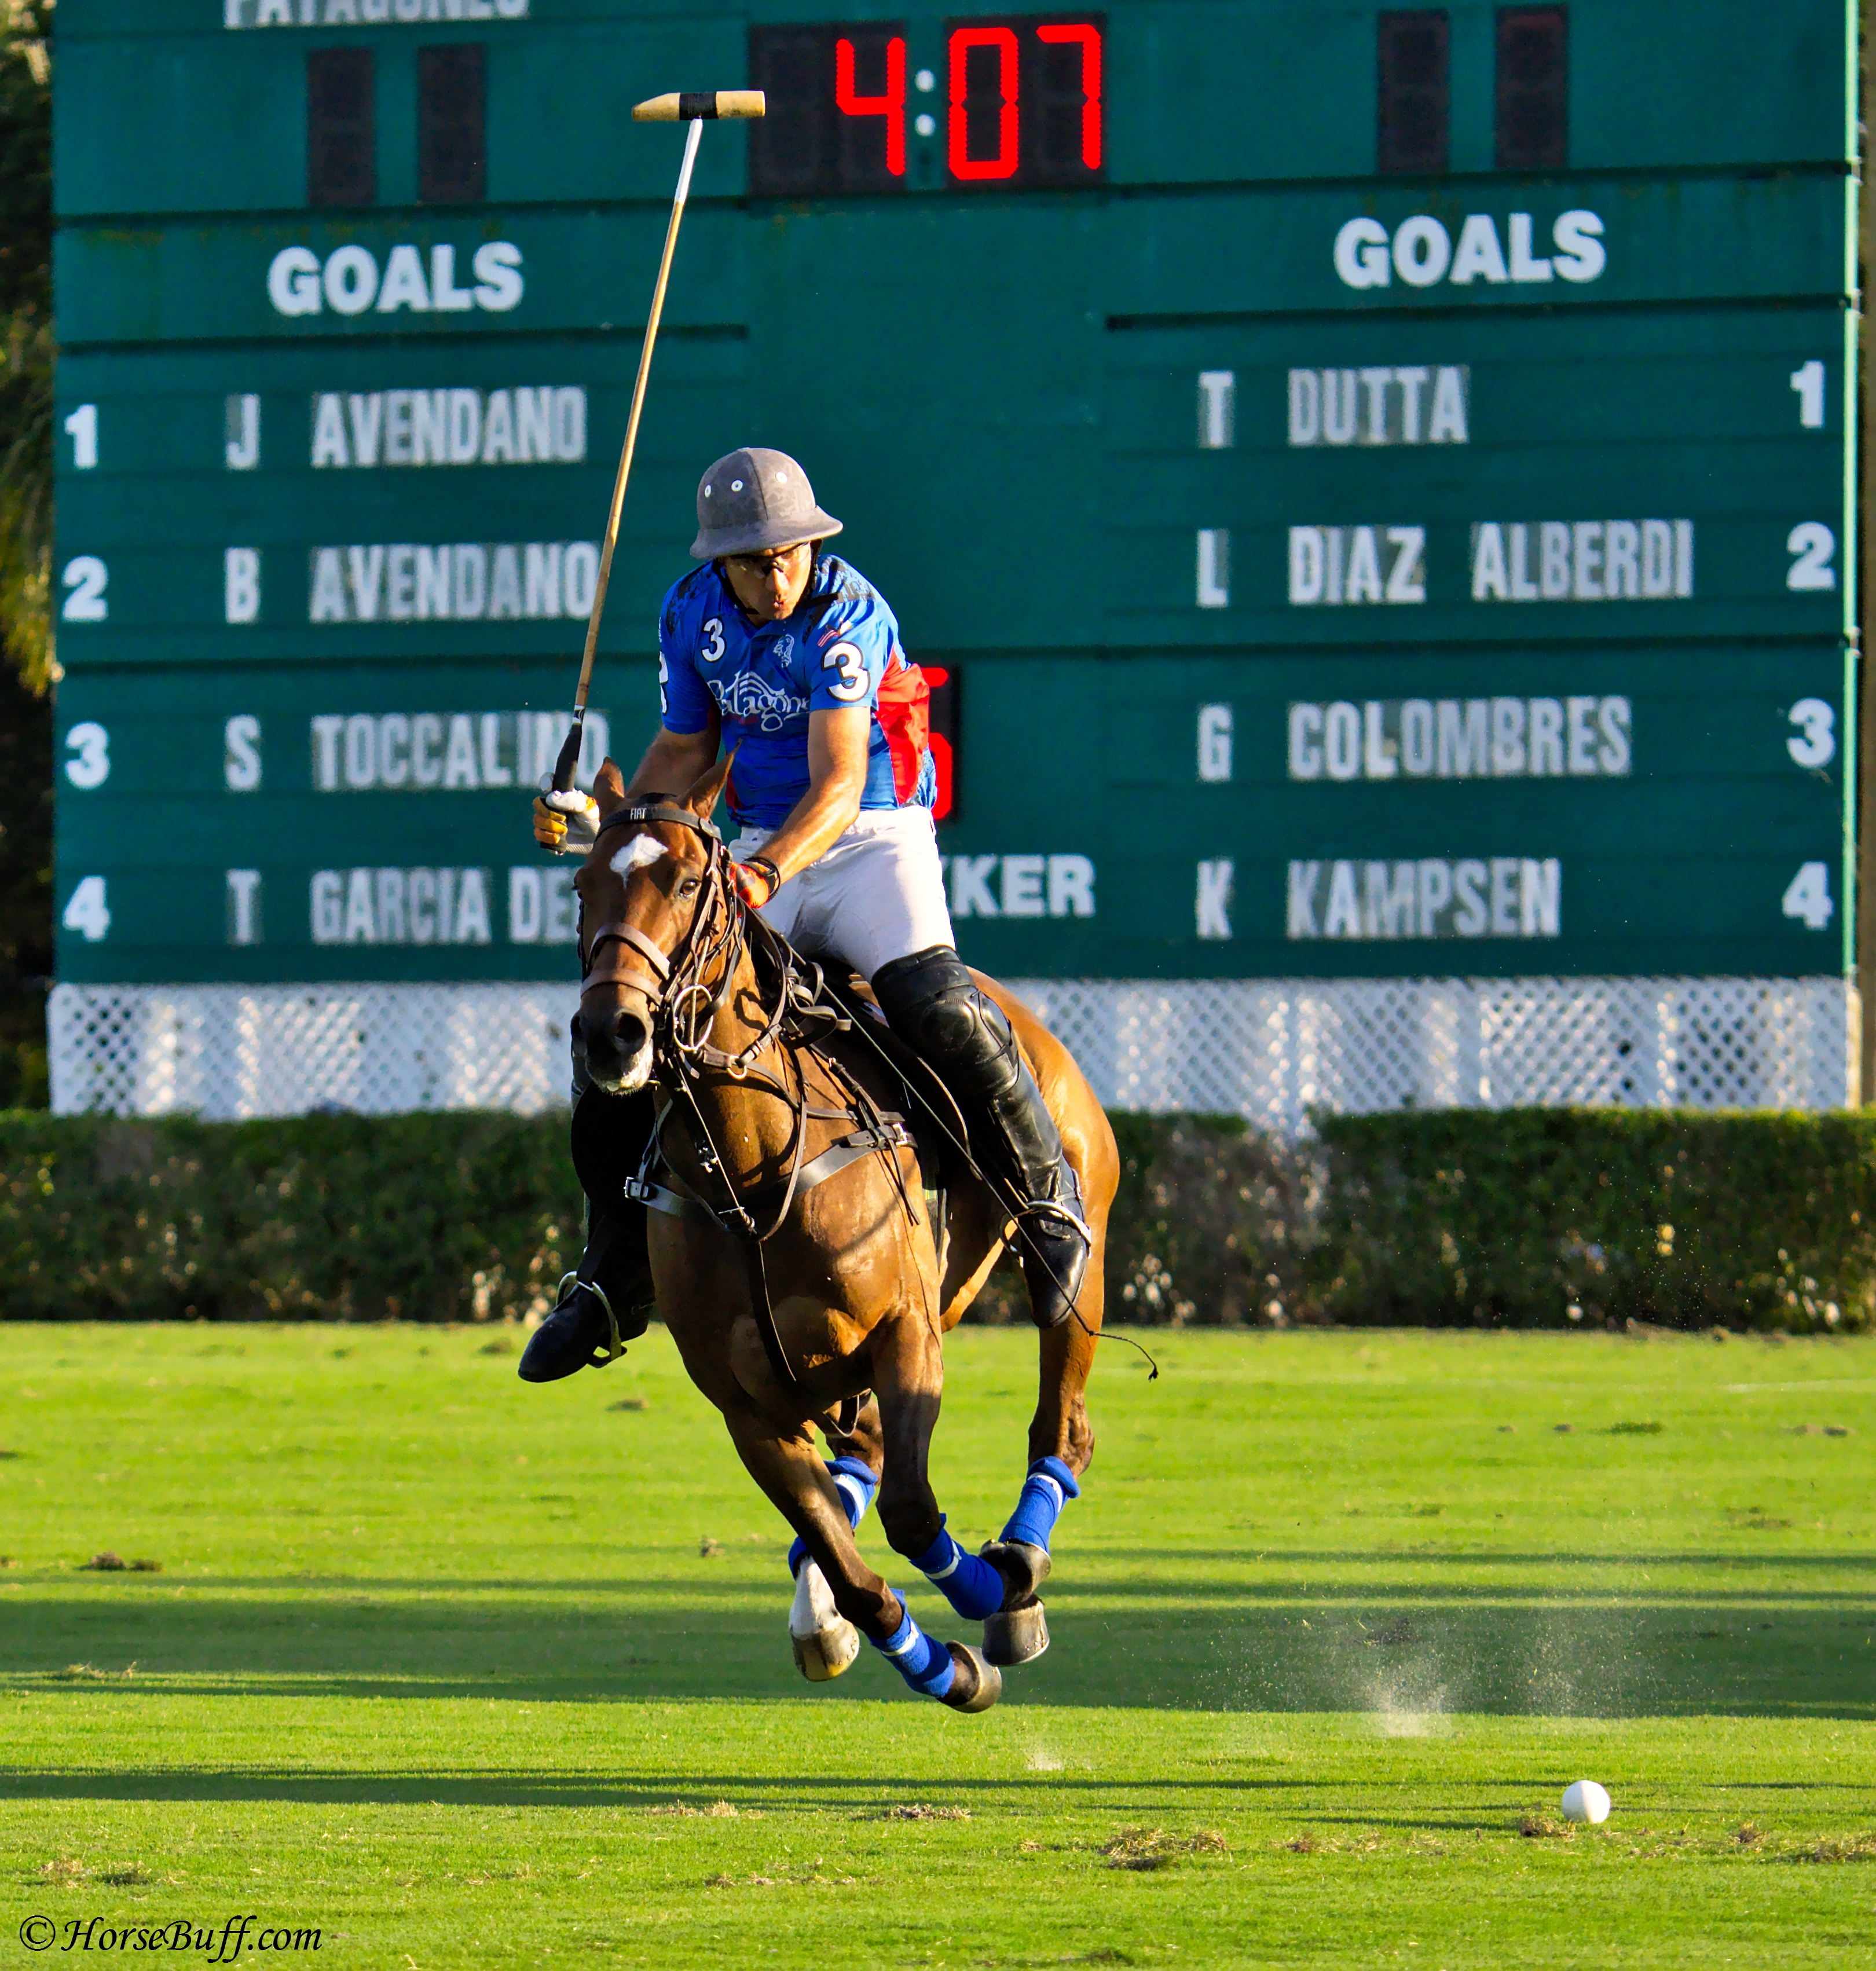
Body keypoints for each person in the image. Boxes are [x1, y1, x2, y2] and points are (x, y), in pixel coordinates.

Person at [518, 446, 1089, 1383]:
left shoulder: (846, 620)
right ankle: (612, 1274)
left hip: (865, 841)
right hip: (754, 849)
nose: (775, 572)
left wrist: (765, 872)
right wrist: (606, 826)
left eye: (789, 553)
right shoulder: (690, 613)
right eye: (754, 559)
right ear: (720, 563)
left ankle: (1045, 1202)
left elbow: (838, 781)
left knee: (936, 1003)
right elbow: (683, 743)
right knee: (644, 1031)